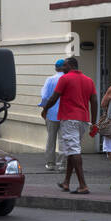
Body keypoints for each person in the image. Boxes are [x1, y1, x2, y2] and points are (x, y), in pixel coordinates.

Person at [40, 57, 98, 194]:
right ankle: (66, 182)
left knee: (74, 151)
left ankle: (83, 185)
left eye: (64, 65)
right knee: (71, 150)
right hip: (83, 120)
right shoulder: (89, 80)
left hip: (69, 119)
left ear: (71, 66)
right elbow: (94, 101)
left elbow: (54, 97)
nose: (62, 68)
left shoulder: (65, 79)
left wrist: (45, 109)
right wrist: (93, 122)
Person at [40, 59, 65, 171]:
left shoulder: (50, 80)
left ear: (55, 68)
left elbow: (45, 96)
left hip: (51, 113)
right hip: (65, 114)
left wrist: (44, 108)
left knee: (51, 138)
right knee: (63, 139)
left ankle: (50, 163)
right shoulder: (67, 79)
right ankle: (62, 164)